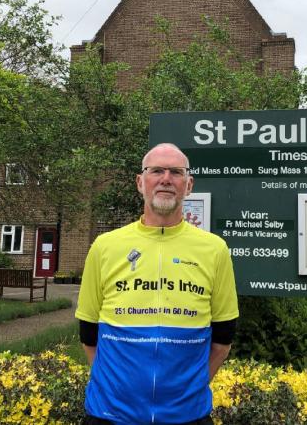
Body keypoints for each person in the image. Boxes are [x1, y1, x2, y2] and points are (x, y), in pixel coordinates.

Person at [76, 143, 239, 425]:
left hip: (187, 416)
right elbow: (88, 334)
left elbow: (223, 339)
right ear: (140, 182)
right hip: (110, 415)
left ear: (189, 185)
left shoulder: (215, 250)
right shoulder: (104, 246)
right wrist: (116, 388)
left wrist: (187, 392)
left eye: (176, 172)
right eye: (156, 171)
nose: (166, 178)